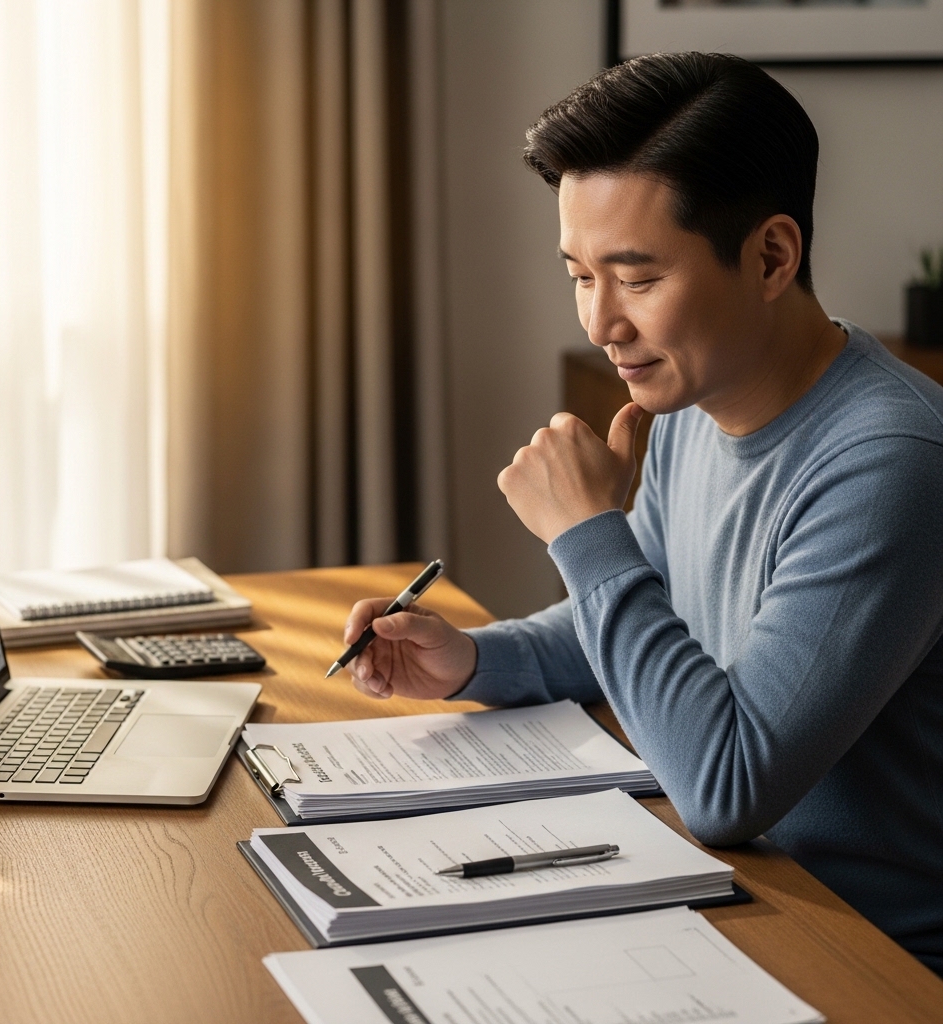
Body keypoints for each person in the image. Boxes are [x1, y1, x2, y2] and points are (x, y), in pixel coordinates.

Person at [343, 52, 943, 974]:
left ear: (772, 256)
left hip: (863, 955)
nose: (599, 324)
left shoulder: (889, 465)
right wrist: (471, 658)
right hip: (727, 902)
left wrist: (587, 534)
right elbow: (630, 631)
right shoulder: (696, 406)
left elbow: (726, 784)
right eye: (580, 274)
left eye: (637, 278)